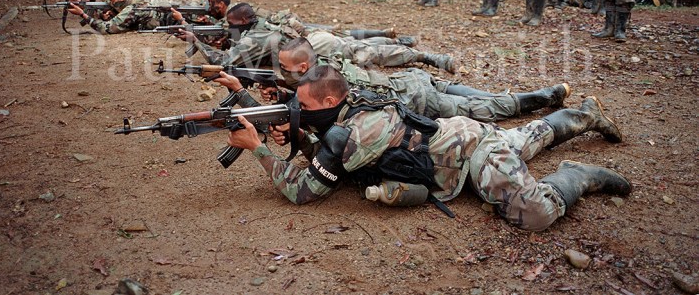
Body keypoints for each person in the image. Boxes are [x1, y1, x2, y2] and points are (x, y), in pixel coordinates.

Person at [227, 66, 631, 232]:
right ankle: (585, 115)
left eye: (306, 106)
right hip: (457, 138)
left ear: (331, 102)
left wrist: (257, 149)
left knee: (535, 215)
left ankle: (577, 174)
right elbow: (327, 151)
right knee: (529, 137)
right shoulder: (348, 109)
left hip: (472, 153)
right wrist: (297, 135)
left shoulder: (353, 133)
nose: (299, 110)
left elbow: (302, 192)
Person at [219, 37, 569, 122]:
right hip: (410, 80)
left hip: (414, 99)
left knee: (482, 109)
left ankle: (543, 96)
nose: (282, 71)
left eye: (286, 67)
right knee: (461, 92)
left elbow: (300, 108)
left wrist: (246, 93)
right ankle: (527, 93)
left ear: (303, 65)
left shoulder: (314, 85)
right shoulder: (322, 69)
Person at [177, 3, 458, 73]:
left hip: (316, 46)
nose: (229, 28)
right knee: (356, 45)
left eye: (232, 25)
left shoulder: (255, 36)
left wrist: (195, 40)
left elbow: (224, 61)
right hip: (313, 40)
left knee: (366, 54)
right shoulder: (259, 22)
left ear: (245, 22)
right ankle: (399, 42)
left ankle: (425, 57)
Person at [67, 0, 172, 34]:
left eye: (113, 1)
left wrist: (82, 14)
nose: (111, 3)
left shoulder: (133, 9)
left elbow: (106, 28)